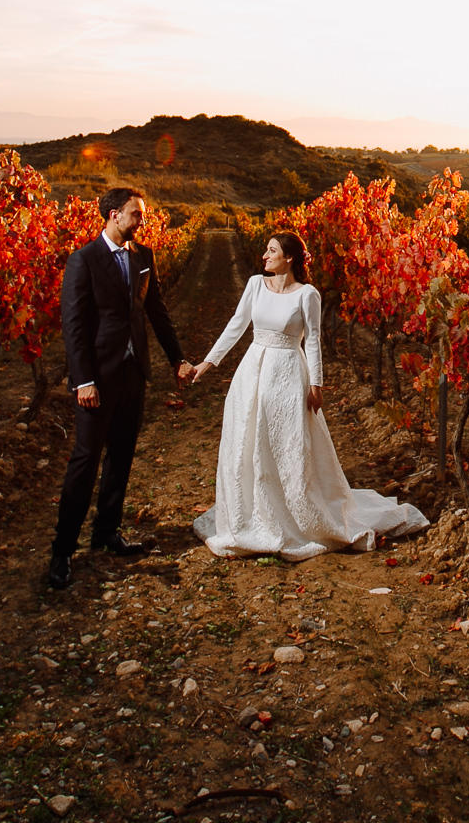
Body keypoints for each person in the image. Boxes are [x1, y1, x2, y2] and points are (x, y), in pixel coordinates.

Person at [189, 232, 428, 560]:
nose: (264, 255)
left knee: (288, 443)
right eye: (266, 249)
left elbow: (312, 340)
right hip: (253, 373)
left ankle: (295, 512)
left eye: (271, 250)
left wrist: (316, 385)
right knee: (250, 438)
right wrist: (208, 362)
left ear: (289, 257)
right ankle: (253, 512)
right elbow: (236, 325)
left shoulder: (308, 294)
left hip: (288, 373)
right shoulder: (255, 285)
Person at [47, 186, 192, 589]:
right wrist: (83, 381)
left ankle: (106, 532)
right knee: (85, 461)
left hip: (133, 372)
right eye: (135, 214)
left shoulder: (143, 256)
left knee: (122, 456)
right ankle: (62, 550)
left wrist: (176, 358)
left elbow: (156, 310)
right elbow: (73, 327)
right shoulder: (84, 260)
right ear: (113, 215)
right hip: (97, 378)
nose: (141, 221)